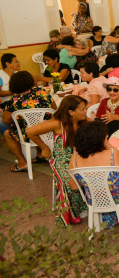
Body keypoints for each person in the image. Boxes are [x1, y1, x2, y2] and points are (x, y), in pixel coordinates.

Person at [27, 95, 89, 226]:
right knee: (70, 181)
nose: (85, 111)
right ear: (71, 112)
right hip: (61, 159)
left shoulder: (82, 120)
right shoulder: (57, 123)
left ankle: (86, 206)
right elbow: (30, 131)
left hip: (80, 158)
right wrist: (44, 148)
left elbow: (96, 129)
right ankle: (70, 212)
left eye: (85, 108)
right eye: (82, 109)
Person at [67, 121, 119, 230]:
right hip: (118, 197)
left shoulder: (74, 157)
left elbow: (74, 186)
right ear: (99, 140)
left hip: (94, 199)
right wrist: (109, 146)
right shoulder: (112, 153)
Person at [2, 71, 56, 172]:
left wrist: (16, 123)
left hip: (28, 134)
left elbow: (5, 119)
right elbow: (54, 110)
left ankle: (22, 163)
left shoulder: (14, 100)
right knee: (39, 122)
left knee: (7, 134)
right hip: (47, 131)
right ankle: (40, 155)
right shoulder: (43, 93)